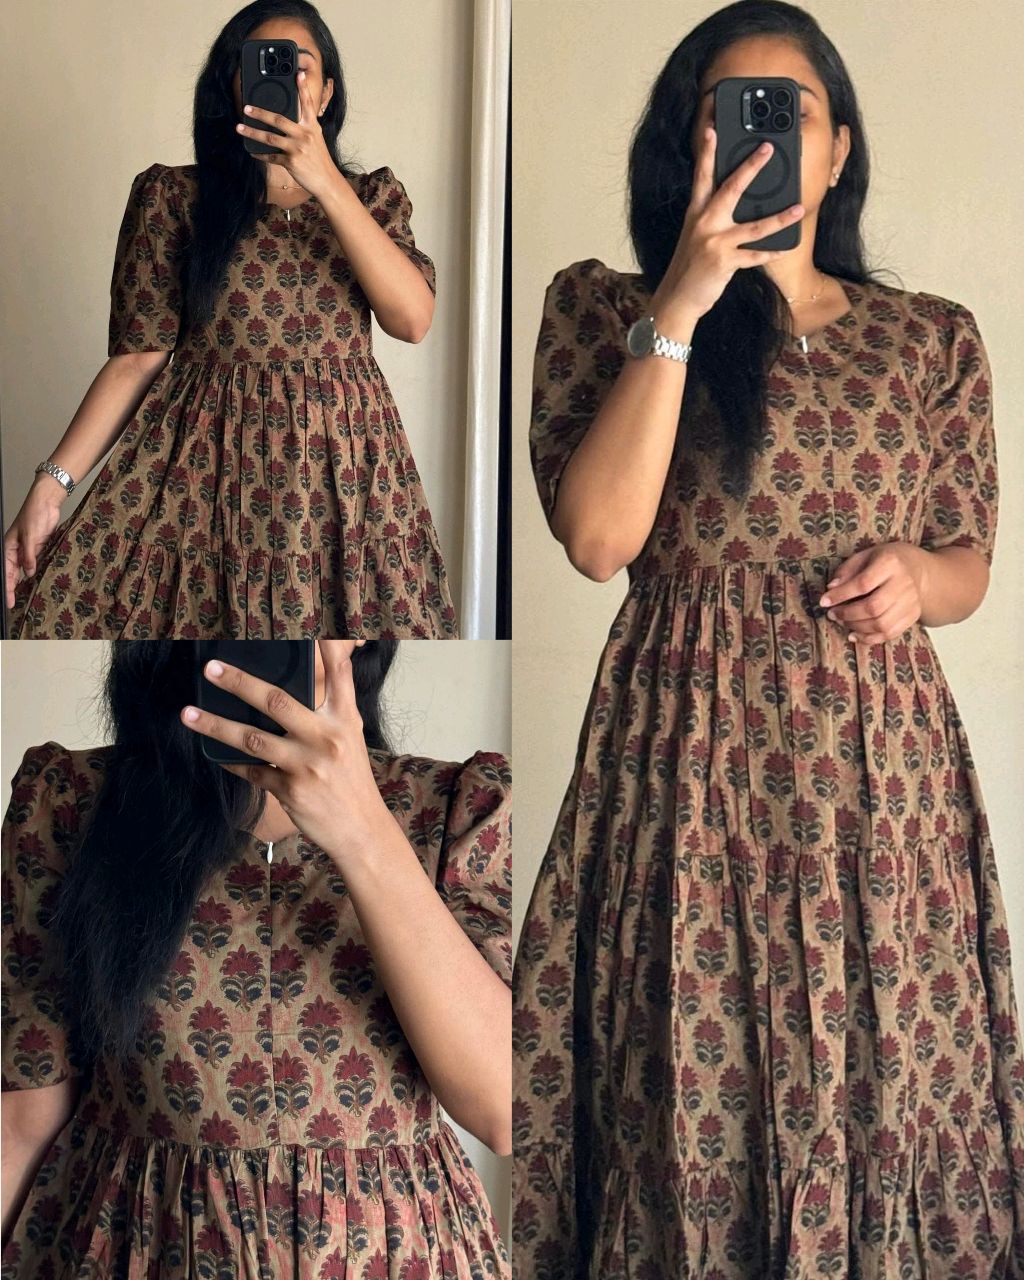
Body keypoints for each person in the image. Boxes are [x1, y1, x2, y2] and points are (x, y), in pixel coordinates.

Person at [511, 2, 1024, 1274]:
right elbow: (598, 538)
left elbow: (969, 561)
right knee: (684, 1075)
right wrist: (684, 299)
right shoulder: (603, 309)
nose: (759, 138)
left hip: (876, 777)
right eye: (725, 113)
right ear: (681, 145)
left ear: (837, 149)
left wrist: (919, 577)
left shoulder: (931, 337)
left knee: (881, 1072)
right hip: (683, 765)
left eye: (788, 113)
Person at [1, 639, 511, 1275]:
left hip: (397, 1252)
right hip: (139, 1245)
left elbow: (503, 1109)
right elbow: (23, 1118)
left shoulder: (456, 808)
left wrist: (362, 832)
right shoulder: (70, 802)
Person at [4, 0, 458, 639]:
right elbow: (137, 358)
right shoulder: (173, 198)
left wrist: (325, 180)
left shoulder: (372, 198)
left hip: (345, 474)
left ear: (327, 92)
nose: (283, 80)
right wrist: (50, 487)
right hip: (205, 470)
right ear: (233, 86)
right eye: (260, 65)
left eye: (299, 66)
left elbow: (411, 320)